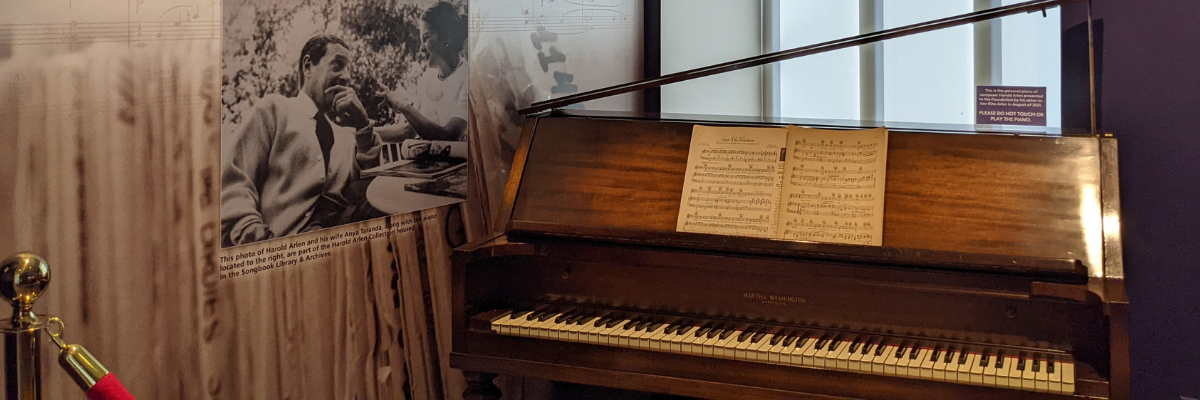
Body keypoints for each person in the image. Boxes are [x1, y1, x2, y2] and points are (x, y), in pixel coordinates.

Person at [221, 34, 382, 246]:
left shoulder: (346, 137)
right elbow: (236, 179)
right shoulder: (274, 110)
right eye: (337, 65)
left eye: (348, 69)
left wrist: (362, 123)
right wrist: (250, 229)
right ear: (308, 66)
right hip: (284, 244)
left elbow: (368, 191)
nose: (346, 77)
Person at [382, 1, 468, 143]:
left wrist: (404, 107)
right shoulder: (426, 79)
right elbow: (408, 131)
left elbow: (449, 136)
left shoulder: (469, 77)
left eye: (426, 38)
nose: (421, 49)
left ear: (447, 37)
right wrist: (356, 133)